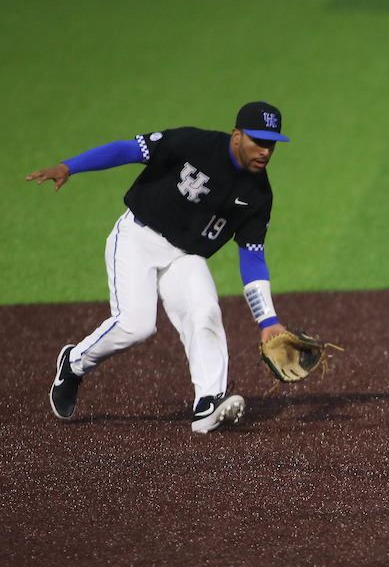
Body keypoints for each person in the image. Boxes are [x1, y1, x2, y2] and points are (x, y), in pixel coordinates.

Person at [28, 101, 294, 433]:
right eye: (258, 141)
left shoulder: (259, 194)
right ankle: (74, 363)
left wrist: (267, 320)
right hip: (138, 237)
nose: (265, 151)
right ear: (237, 135)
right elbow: (128, 150)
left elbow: (252, 256)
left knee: (206, 311)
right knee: (136, 326)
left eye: (271, 144)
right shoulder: (192, 143)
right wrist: (70, 166)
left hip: (185, 256)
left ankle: (208, 403)